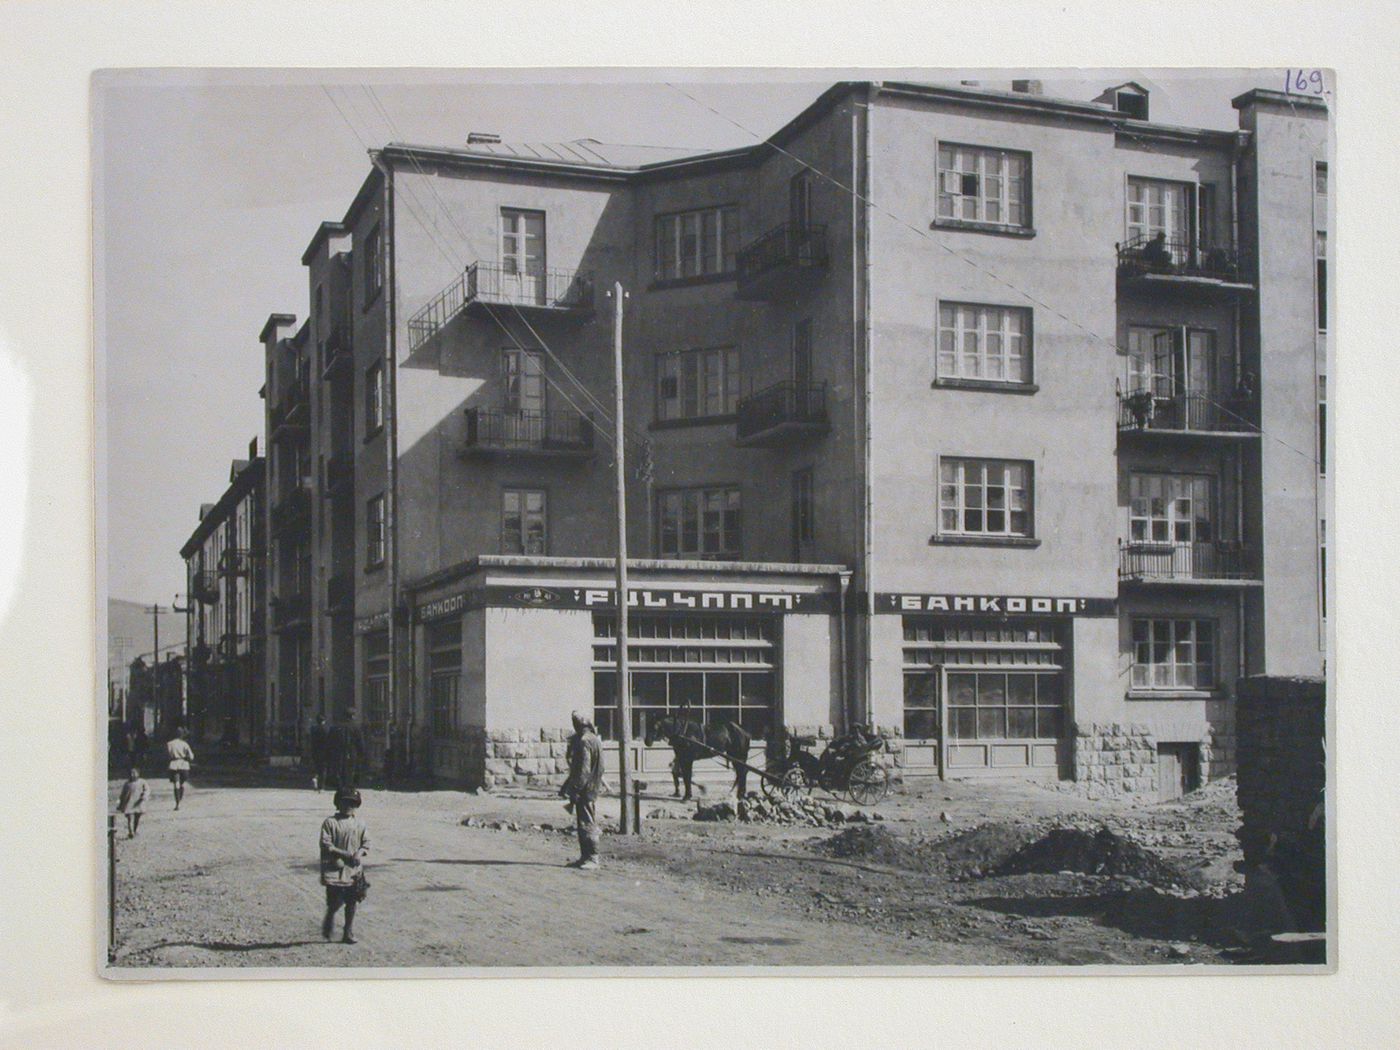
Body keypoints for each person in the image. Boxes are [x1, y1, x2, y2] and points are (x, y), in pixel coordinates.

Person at [320, 787, 370, 944]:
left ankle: (348, 931)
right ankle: (330, 918)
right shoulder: (330, 823)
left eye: (353, 803)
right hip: (335, 869)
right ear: (337, 803)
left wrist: (359, 853)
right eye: (345, 802)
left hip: (353, 870)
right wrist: (344, 854)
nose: (349, 806)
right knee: (335, 901)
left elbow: (366, 843)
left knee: (352, 900)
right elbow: (326, 844)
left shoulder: (360, 824)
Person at [558, 710, 605, 869]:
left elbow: (583, 769)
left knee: (587, 823)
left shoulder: (584, 741)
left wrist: (575, 788)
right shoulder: (595, 740)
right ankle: (585, 857)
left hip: (585, 788)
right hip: (592, 786)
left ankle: (592, 857)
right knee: (584, 821)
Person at [165, 728, 194, 810]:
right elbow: (191, 756)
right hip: (183, 765)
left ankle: (177, 803)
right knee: (182, 783)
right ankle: (180, 800)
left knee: (176, 784)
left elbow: (167, 755)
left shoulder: (169, 744)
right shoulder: (185, 744)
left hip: (173, 765)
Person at [116, 767, 149, 838]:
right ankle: (130, 832)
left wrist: (144, 796)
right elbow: (123, 794)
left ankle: (135, 830)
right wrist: (120, 803)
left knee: (137, 817)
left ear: (138, 774)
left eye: (134, 773)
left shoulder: (142, 782)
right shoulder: (127, 783)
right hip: (129, 803)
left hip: (138, 803)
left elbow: (147, 790)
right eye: (131, 773)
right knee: (130, 818)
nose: (132, 775)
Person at [308, 715, 328, 791]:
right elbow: (327, 740)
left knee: (316, 766)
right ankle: (321, 786)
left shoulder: (313, 729)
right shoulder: (324, 730)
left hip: (315, 750)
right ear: (323, 721)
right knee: (323, 769)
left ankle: (315, 777)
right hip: (323, 751)